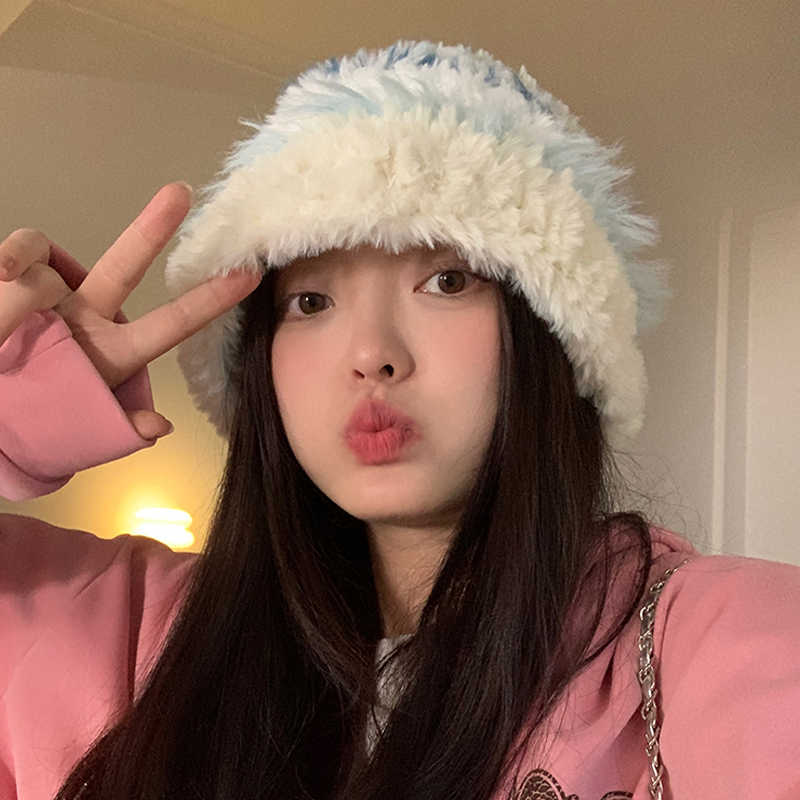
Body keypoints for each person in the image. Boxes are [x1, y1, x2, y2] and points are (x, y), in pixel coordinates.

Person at [0, 40, 799, 800]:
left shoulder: (716, 642)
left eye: (447, 281)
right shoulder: (136, 632)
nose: (372, 355)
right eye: (310, 301)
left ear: (552, 332)